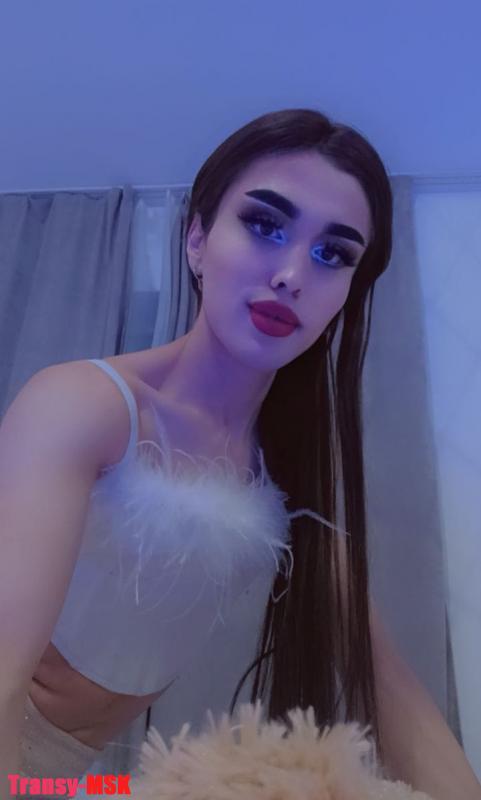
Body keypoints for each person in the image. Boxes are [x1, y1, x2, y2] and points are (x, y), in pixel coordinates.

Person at [1, 108, 479, 800]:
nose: (290, 274)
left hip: (68, 776)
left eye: (332, 254)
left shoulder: (285, 475)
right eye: (264, 224)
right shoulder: (86, 405)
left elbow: (390, 685)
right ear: (197, 239)